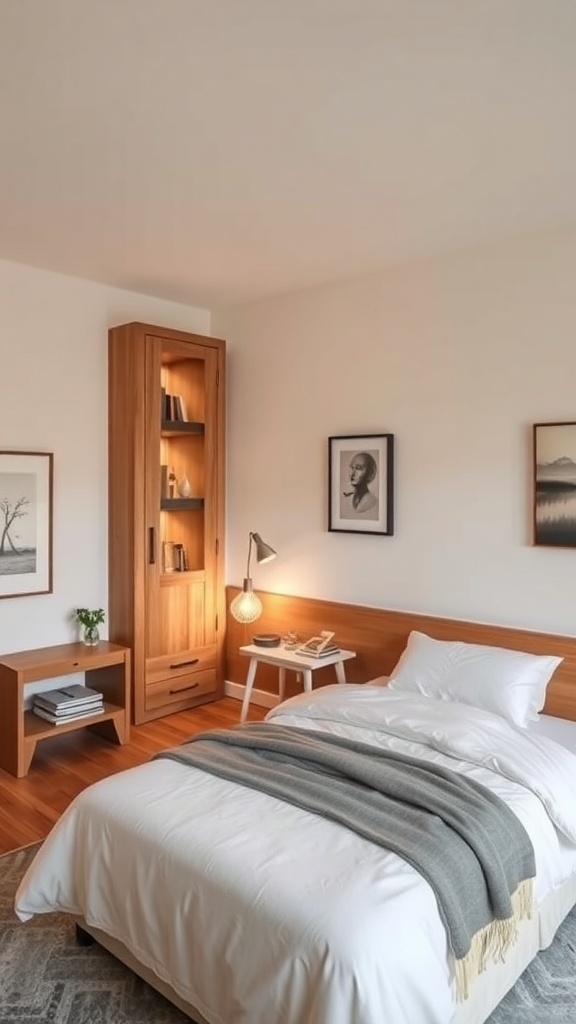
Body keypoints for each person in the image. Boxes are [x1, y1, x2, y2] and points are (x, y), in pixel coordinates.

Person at [341, 451, 379, 519]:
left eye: (358, 468)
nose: (353, 473)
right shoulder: (344, 500)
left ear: (370, 473)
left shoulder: (373, 502)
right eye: (352, 468)